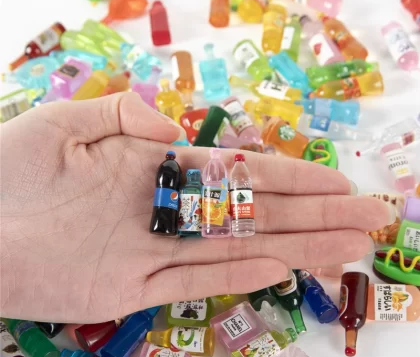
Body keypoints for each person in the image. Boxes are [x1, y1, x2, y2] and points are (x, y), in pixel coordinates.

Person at [0, 92, 393, 324]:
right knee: (192, 219)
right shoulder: (180, 179)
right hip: (176, 219)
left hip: (202, 218)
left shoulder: (212, 183)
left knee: (217, 222)